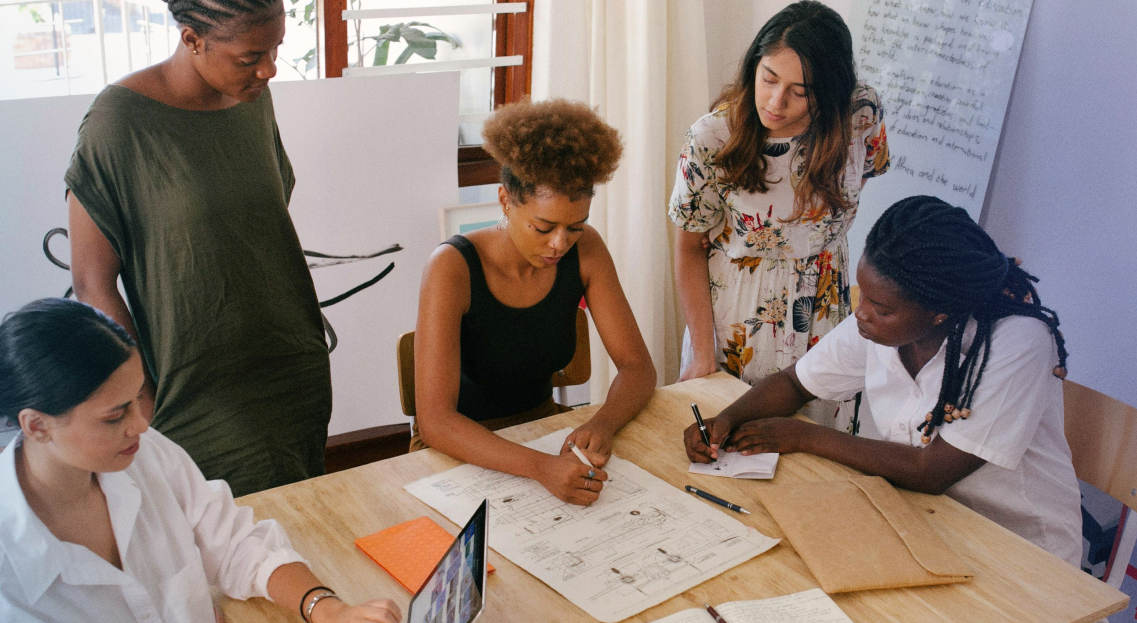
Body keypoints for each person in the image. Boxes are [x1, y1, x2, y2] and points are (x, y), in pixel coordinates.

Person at [683, 196, 1082, 566]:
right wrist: (726, 420)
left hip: (1019, 551)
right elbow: (795, 384)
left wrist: (803, 436)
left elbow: (931, 471)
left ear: (940, 312)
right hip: (925, 521)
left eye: (880, 307)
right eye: (864, 297)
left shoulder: (1017, 343)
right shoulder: (880, 326)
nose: (861, 314)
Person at [65, 0, 332, 496]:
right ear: (192, 39)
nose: (269, 69)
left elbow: (258, 226)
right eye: (250, 56)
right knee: (223, 550)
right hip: (194, 388)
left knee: (299, 531)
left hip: (292, 367)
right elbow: (91, 281)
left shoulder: (253, 98)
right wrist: (139, 398)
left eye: (275, 49)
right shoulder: (118, 121)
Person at [0, 298, 400, 623]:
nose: (141, 425)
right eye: (114, 415)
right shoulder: (9, 568)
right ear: (36, 426)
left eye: (138, 398)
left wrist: (328, 609)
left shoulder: (145, 454)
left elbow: (234, 544)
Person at [413, 99, 657, 506]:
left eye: (574, 228)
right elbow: (436, 422)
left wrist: (603, 423)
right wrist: (541, 468)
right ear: (506, 201)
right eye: (543, 228)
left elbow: (637, 367)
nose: (559, 244)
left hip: (542, 433)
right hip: (459, 450)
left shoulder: (587, 250)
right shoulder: (451, 267)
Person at [671, 0, 890, 432]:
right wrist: (701, 352)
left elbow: (855, 187)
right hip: (738, 318)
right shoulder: (713, 137)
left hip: (825, 311)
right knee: (729, 447)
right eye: (768, 78)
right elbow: (686, 248)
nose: (775, 101)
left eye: (800, 90)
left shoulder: (859, 114)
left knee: (820, 458)